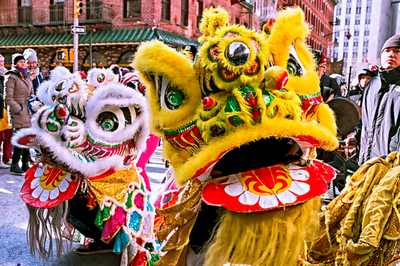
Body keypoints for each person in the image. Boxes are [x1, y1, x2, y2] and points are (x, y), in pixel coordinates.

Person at [358, 34, 400, 164]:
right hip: (366, 163)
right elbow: (364, 122)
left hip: (391, 167)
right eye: (387, 50)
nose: (391, 54)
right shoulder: (371, 85)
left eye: (397, 51)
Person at [5, 54, 33, 174]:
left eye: (24, 62)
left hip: (28, 111)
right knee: (20, 138)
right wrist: (18, 109)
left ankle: (25, 163)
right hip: (19, 112)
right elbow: (8, 98)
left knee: (27, 138)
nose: (23, 64)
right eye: (21, 62)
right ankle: (15, 164)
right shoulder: (12, 77)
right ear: (16, 64)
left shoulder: (27, 76)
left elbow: (31, 93)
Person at [0, 54, 12, 168]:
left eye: (3, 61)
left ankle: (7, 158)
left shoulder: (7, 75)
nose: (1, 64)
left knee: (9, 135)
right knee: (0, 136)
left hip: (7, 108)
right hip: (1, 107)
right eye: (0, 62)